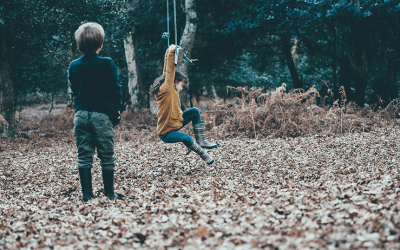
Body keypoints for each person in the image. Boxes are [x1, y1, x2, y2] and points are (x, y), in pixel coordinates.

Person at [68, 22, 122, 201]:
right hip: (102, 115)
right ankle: (109, 194)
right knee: (106, 155)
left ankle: (86, 195)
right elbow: (115, 89)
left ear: (79, 44)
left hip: (81, 115)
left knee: (84, 154)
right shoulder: (107, 63)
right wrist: (116, 112)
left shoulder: (74, 65)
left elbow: (74, 90)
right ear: (101, 43)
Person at [150, 45, 217, 165]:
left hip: (176, 122)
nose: (181, 88)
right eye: (181, 85)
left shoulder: (170, 88)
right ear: (175, 82)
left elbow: (166, 70)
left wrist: (168, 50)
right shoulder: (167, 89)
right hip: (166, 132)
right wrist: (172, 51)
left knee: (195, 111)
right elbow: (170, 70)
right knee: (185, 137)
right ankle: (203, 153)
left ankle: (201, 141)